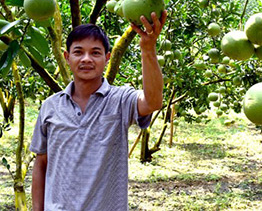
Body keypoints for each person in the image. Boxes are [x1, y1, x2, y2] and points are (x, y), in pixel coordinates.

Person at [30, 11, 167, 211]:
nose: (86, 59)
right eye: (78, 52)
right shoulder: (51, 106)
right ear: (67, 57)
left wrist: (148, 49)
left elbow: (152, 102)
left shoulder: (120, 99)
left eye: (95, 52)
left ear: (107, 58)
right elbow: (41, 164)